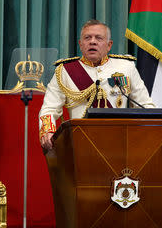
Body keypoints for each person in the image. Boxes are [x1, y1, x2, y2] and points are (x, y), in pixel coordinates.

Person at [39, 19, 155, 150]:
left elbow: (145, 105)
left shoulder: (126, 67)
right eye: (87, 38)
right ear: (80, 44)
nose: (92, 41)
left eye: (99, 38)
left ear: (109, 45)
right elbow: (50, 108)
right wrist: (47, 131)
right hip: (81, 144)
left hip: (119, 143)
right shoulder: (64, 71)